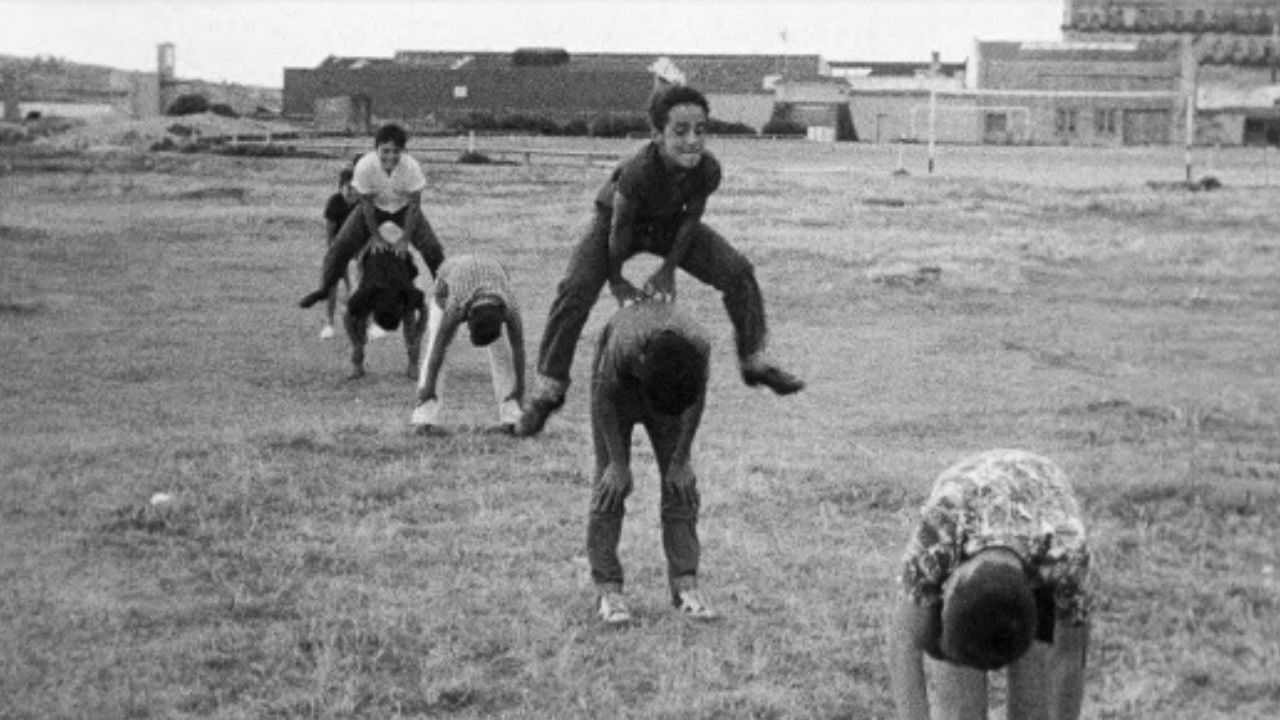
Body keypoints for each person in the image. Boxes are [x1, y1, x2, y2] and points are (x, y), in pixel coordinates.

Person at [514, 84, 804, 437]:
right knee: (573, 289)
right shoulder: (638, 170)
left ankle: (754, 360)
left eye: (700, 130)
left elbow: (691, 219)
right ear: (656, 134)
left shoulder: (708, 169)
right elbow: (619, 228)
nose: (692, 140)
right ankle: (548, 390)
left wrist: (668, 269)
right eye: (680, 131)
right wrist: (617, 280)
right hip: (618, 225)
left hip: (667, 225)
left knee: (739, 272)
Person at [889, 449, 1092, 720]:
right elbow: (905, 643)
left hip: (1043, 520)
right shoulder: (939, 532)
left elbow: (1068, 659)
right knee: (961, 711)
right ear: (953, 580)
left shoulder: (1067, 556)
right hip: (968, 514)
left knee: (1033, 709)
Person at [587, 299, 717, 625]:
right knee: (609, 488)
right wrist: (617, 463)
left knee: (681, 486)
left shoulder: (698, 343)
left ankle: (685, 585)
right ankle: (609, 591)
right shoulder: (625, 344)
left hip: (668, 388)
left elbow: (697, 397)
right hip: (617, 395)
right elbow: (602, 397)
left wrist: (681, 458)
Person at [301, 123, 446, 310]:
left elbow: (414, 205)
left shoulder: (411, 167)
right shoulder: (365, 166)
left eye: (396, 151)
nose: (390, 157)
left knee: (432, 247)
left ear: (403, 151)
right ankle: (323, 289)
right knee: (340, 246)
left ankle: (443, 289)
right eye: (385, 151)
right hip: (374, 207)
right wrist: (376, 237)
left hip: (404, 208)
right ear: (376, 149)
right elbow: (367, 205)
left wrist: (404, 239)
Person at [410, 254, 526, 433]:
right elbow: (438, 350)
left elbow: (518, 349)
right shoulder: (455, 308)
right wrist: (429, 387)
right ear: (467, 319)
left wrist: (519, 388)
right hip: (447, 284)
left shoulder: (509, 306)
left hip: (491, 279)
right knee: (436, 343)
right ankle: (424, 420)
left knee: (504, 353)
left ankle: (512, 420)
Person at [301, 224, 427, 379]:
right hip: (370, 260)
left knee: (410, 318)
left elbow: (424, 310)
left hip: (402, 259)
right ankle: (358, 365)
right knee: (358, 318)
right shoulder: (367, 293)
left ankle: (413, 364)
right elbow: (347, 315)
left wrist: (418, 337)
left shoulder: (407, 293)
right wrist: (357, 345)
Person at [317, 165, 359, 340]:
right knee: (331, 281)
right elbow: (330, 235)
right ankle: (329, 322)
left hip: (357, 247)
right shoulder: (334, 203)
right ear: (341, 186)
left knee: (362, 281)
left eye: (355, 188)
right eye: (348, 187)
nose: (352, 191)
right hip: (338, 247)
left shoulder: (361, 204)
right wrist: (337, 260)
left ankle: (360, 317)